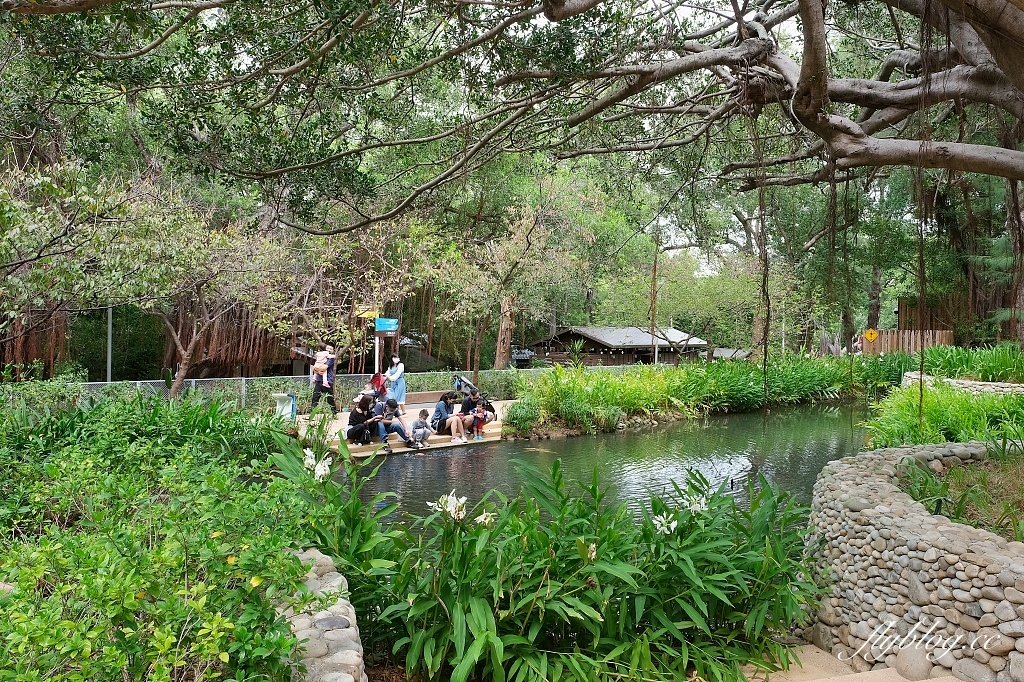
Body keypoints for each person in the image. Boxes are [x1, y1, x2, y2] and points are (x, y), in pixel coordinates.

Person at [311, 344, 336, 414]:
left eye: (331, 349)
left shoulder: (331, 359)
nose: (329, 350)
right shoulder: (321, 357)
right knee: (315, 397)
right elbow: (314, 367)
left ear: (333, 351)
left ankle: (334, 413)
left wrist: (317, 370)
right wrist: (317, 371)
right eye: (327, 348)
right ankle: (312, 414)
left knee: (330, 399)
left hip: (327, 381)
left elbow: (324, 368)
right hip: (319, 380)